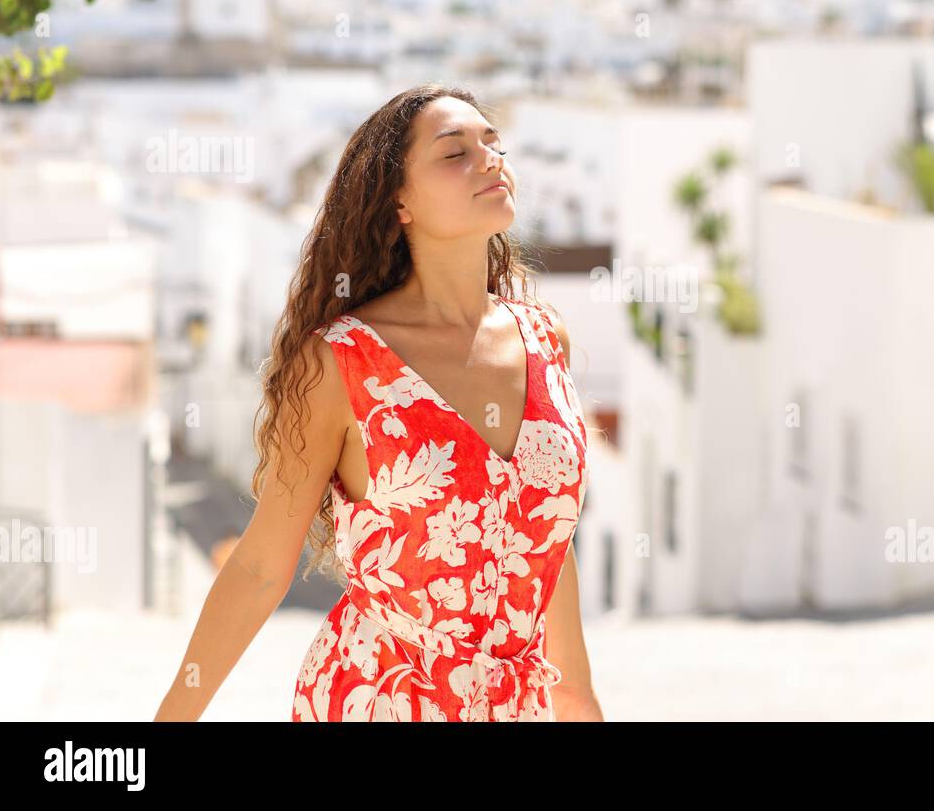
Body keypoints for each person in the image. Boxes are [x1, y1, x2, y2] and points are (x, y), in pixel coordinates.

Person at [155, 84, 602, 722]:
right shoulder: (341, 363)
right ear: (399, 202)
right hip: (379, 698)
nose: (489, 160)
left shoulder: (543, 339)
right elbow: (259, 567)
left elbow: (543, 539)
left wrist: (577, 699)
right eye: (455, 154)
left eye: (492, 145)